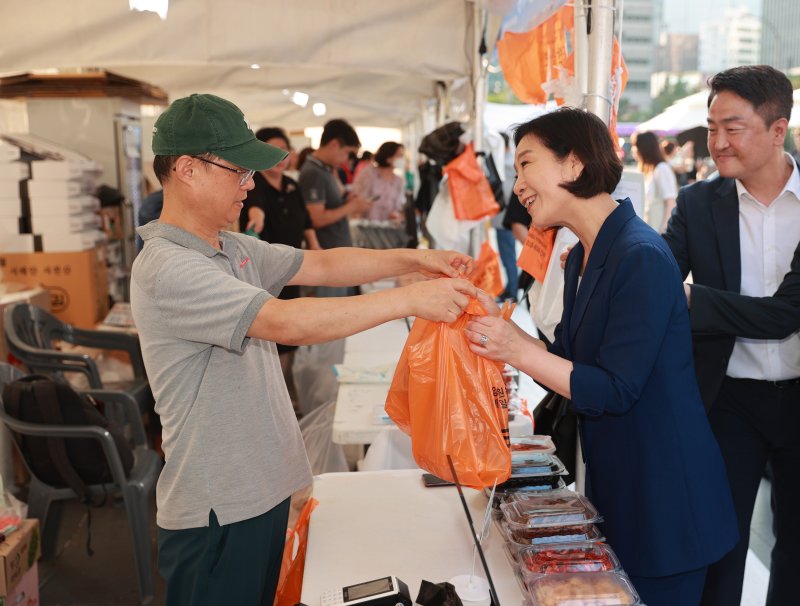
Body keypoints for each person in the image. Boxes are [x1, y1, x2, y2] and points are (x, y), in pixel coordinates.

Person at [130, 93, 478, 606]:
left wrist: (418, 259)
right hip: (219, 507)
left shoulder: (229, 246)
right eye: (239, 170)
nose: (251, 183)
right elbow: (285, 321)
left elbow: (323, 265)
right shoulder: (169, 267)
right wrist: (410, 298)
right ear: (187, 168)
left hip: (258, 492)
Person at [465, 107, 738, 606]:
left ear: (574, 164)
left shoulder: (642, 256)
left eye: (527, 164)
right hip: (619, 488)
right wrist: (504, 330)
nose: (518, 183)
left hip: (664, 501)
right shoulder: (583, 259)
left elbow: (614, 387)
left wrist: (515, 348)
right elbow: (567, 368)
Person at [662, 64, 800, 606]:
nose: (716, 142)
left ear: (777, 129)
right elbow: (660, 283)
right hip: (729, 400)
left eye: (733, 127)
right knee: (721, 543)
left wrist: (698, 301)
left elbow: (786, 314)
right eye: (711, 127)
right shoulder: (698, 204)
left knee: (795, 549)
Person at [239, 126, 321, 410]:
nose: (280, 158)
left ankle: (288, 393)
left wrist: (315, 247)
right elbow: (255, 208)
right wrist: (255, 217)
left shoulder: (291, 185)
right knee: (273, 335)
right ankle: (278, 397)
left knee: (294, 332)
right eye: (272, 151)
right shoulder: (253, 185)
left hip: (294, 267)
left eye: (283, 151)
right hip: (264, 274)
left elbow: (306, 221)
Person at [631, 130, 678, 231]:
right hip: (651, 232)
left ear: (644, 148)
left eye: (635, 146)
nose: (633, 150)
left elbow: (671, 202)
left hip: (659, 234)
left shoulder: (662, 168)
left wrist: (663, 231)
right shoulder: (652, 170)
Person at [351, 141, 406, 222]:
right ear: (388, 157)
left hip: (388, 229)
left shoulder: (398, 181)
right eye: (400, 156)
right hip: (366, 227)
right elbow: (357, 200)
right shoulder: (368, 174)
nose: (402, 159)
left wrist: (397, 215)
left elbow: (398, 207)